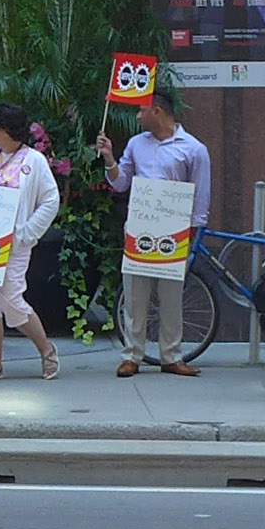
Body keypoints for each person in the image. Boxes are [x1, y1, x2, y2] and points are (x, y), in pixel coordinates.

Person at [93, 90, 211, 378]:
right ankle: (131, 356)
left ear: (157, 111)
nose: (137, 116)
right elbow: (121, 183)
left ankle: (171, 356)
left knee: (171, 297)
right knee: (135, 296)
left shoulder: (194, 149)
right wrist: (109, 159)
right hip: (140, 229)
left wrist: (195, 229)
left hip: (175, 231)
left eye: (141, 110)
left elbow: (201, 192)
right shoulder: (136, 144)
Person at [0, 102, 62, 382]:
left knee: (12, 302)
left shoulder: (34, 161)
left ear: (5, 130)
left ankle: (46, 349)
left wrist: (27, 233)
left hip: (13, 243)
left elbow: (51, 200)